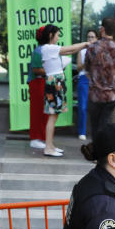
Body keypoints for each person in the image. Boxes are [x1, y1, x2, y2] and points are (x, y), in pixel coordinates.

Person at [39, 24, 89, 158]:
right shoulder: (49, 48)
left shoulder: (49, 49)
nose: (58, 37)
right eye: (57, 34)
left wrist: (83, 46)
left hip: (55, 82)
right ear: (51, 35)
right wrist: (85, 44)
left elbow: (70, 52)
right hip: (55, 83)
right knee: (52, 116)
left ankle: (50, 145)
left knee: (53, 116)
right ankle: (48, 148)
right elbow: (71, 48)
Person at [86, 16, 115, 137]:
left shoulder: (92, 48)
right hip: (110, 96)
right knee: (104, 125)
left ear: (102, 29)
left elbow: (87, 71)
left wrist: (95, 83)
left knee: (94, 127)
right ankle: (103, 153)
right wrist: (113, 85)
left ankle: (97, 151)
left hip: (94, 95)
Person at [76, 29, 98, 141]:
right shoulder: (82, 51)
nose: (90, 39)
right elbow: (78, 67)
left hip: (95, 80)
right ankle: (82, 131)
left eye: (92, 37)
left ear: (97, 39)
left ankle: (97, 132)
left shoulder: (100, 51)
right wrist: (87, 63)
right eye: (88, 37)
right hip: (84, 79)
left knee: (96, 107)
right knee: (83, 107)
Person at [28, 26, 48, 150]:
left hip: (43, 82)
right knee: (37, 111)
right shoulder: (39, 51)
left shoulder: (45, 50)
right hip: (37, 82)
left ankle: (41, 137)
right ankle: (35, 138)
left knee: (43, 111)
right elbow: (36, 69)